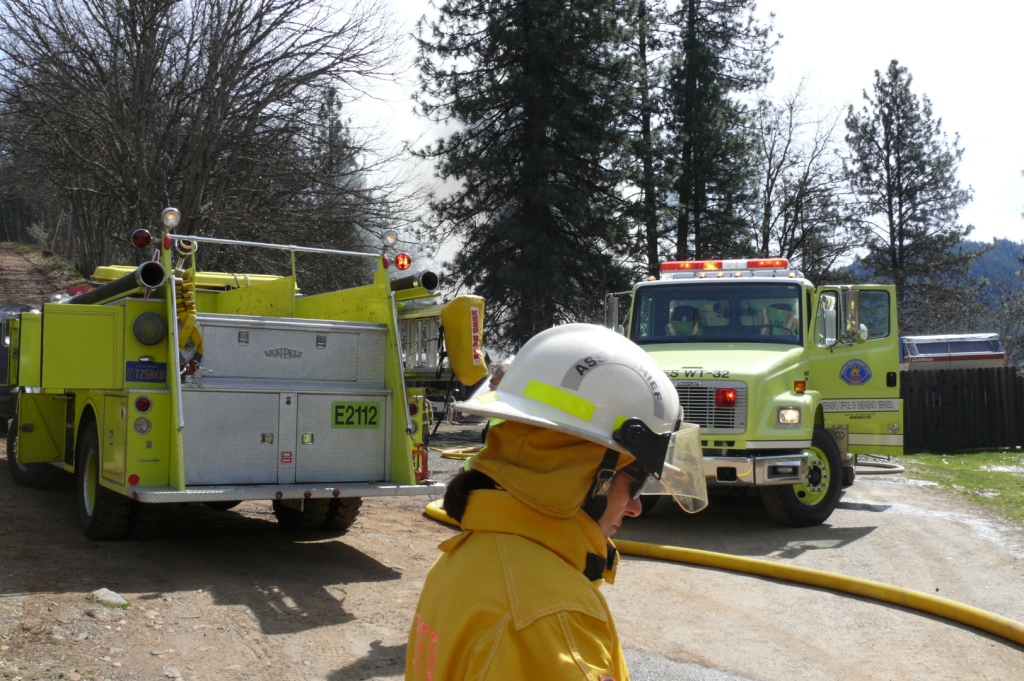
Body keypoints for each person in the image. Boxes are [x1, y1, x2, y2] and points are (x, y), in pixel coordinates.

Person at [406, 323, 707, 681]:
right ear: (594, 476)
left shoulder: (468, 557)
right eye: (635, 485)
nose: (635, 508)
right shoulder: (546, 619)